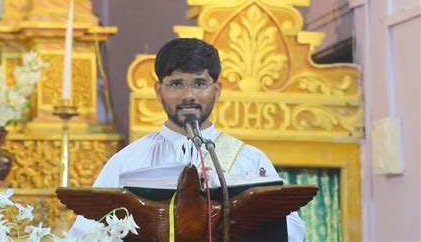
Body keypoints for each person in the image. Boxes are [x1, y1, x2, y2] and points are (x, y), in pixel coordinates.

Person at [69, 38, 306, 241]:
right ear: (158, 90)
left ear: (217, 89)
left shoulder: (249, 159)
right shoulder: (127, 161)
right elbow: (86, 234)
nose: (188, 95)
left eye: (199, 83)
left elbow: (290, 233)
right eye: (176, 84)